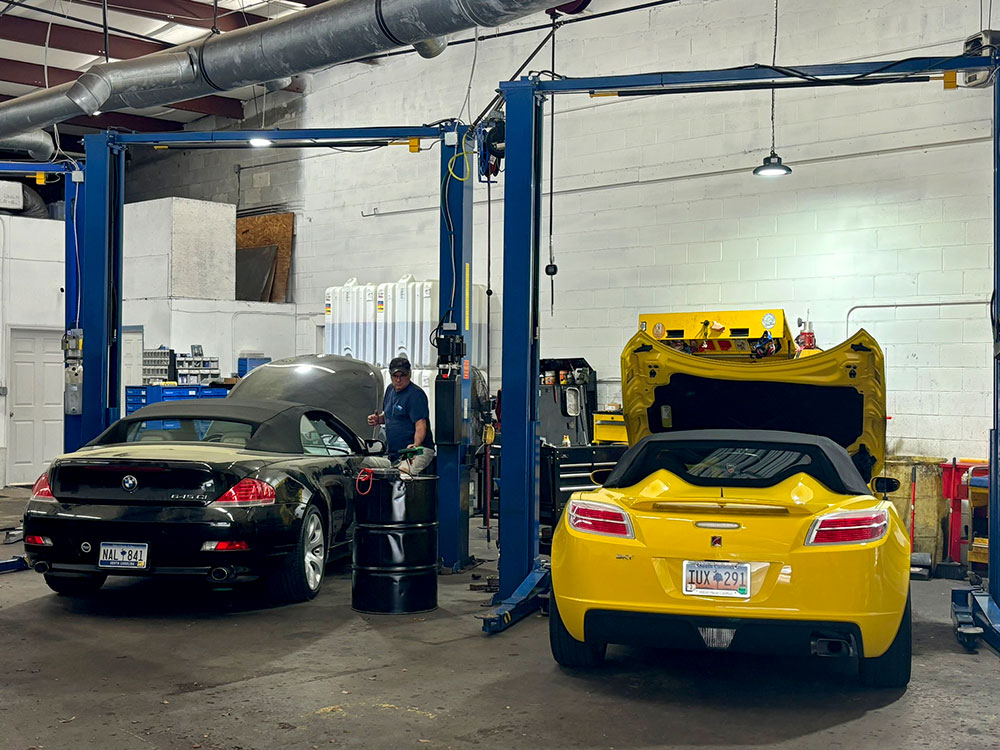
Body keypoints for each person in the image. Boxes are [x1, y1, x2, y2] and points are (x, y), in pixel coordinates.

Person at [367, 356, 435, 475]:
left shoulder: (415, 395)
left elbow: (420, 425)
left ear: (409, 375)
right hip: (395, 453)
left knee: (403, 474)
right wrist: (378, 419)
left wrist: (416, 446)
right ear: (390, 376)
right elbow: (391, 416)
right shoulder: (390, 390)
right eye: (395, 376)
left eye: (402, 376)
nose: (398, 380)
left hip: (418, 450)